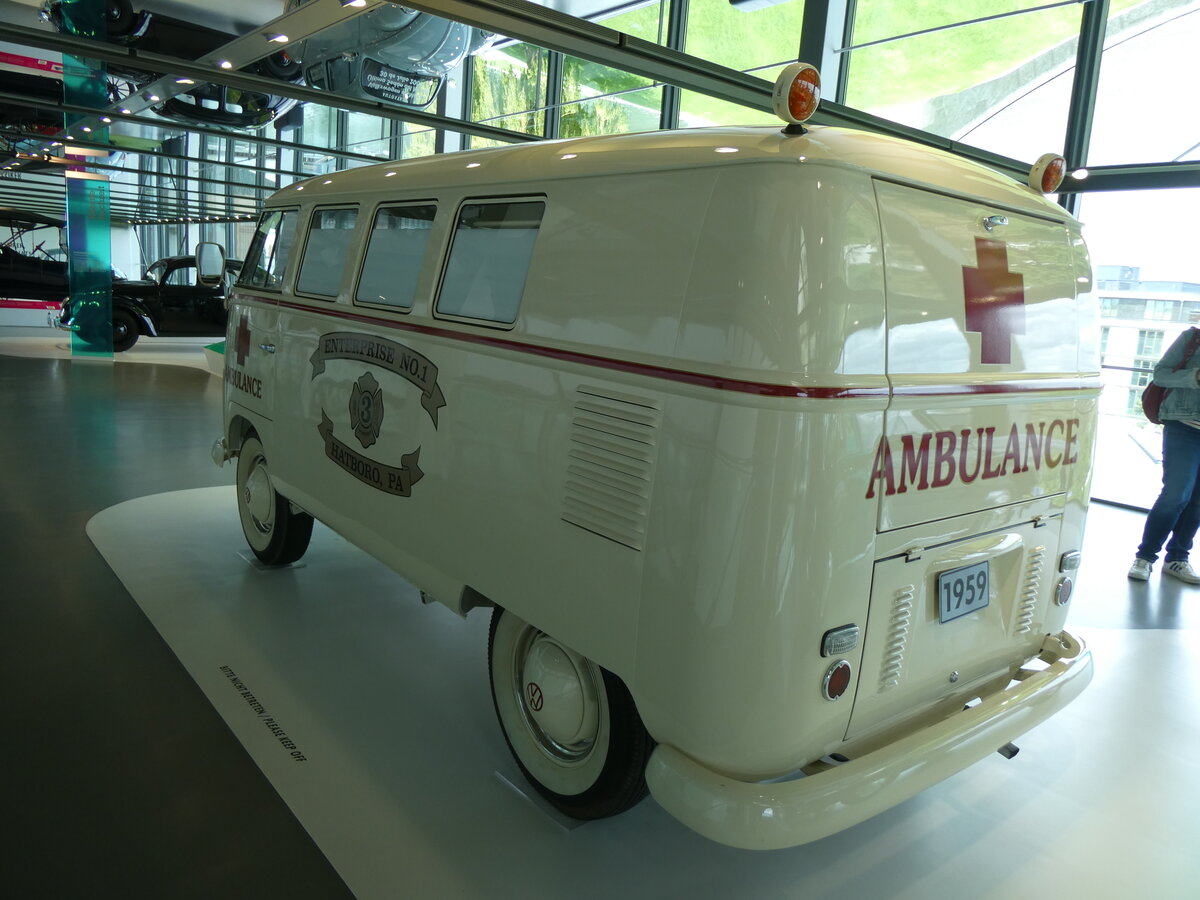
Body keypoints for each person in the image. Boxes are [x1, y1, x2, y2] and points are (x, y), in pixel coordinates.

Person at [1130, 327, 1200, 582]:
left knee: (1197, 503)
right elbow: (1160, 375)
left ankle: (1177, 558)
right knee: (1176, 495)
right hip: (1184, 425)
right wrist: (1196, 376)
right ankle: (1145, 557)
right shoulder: (1192, 338)